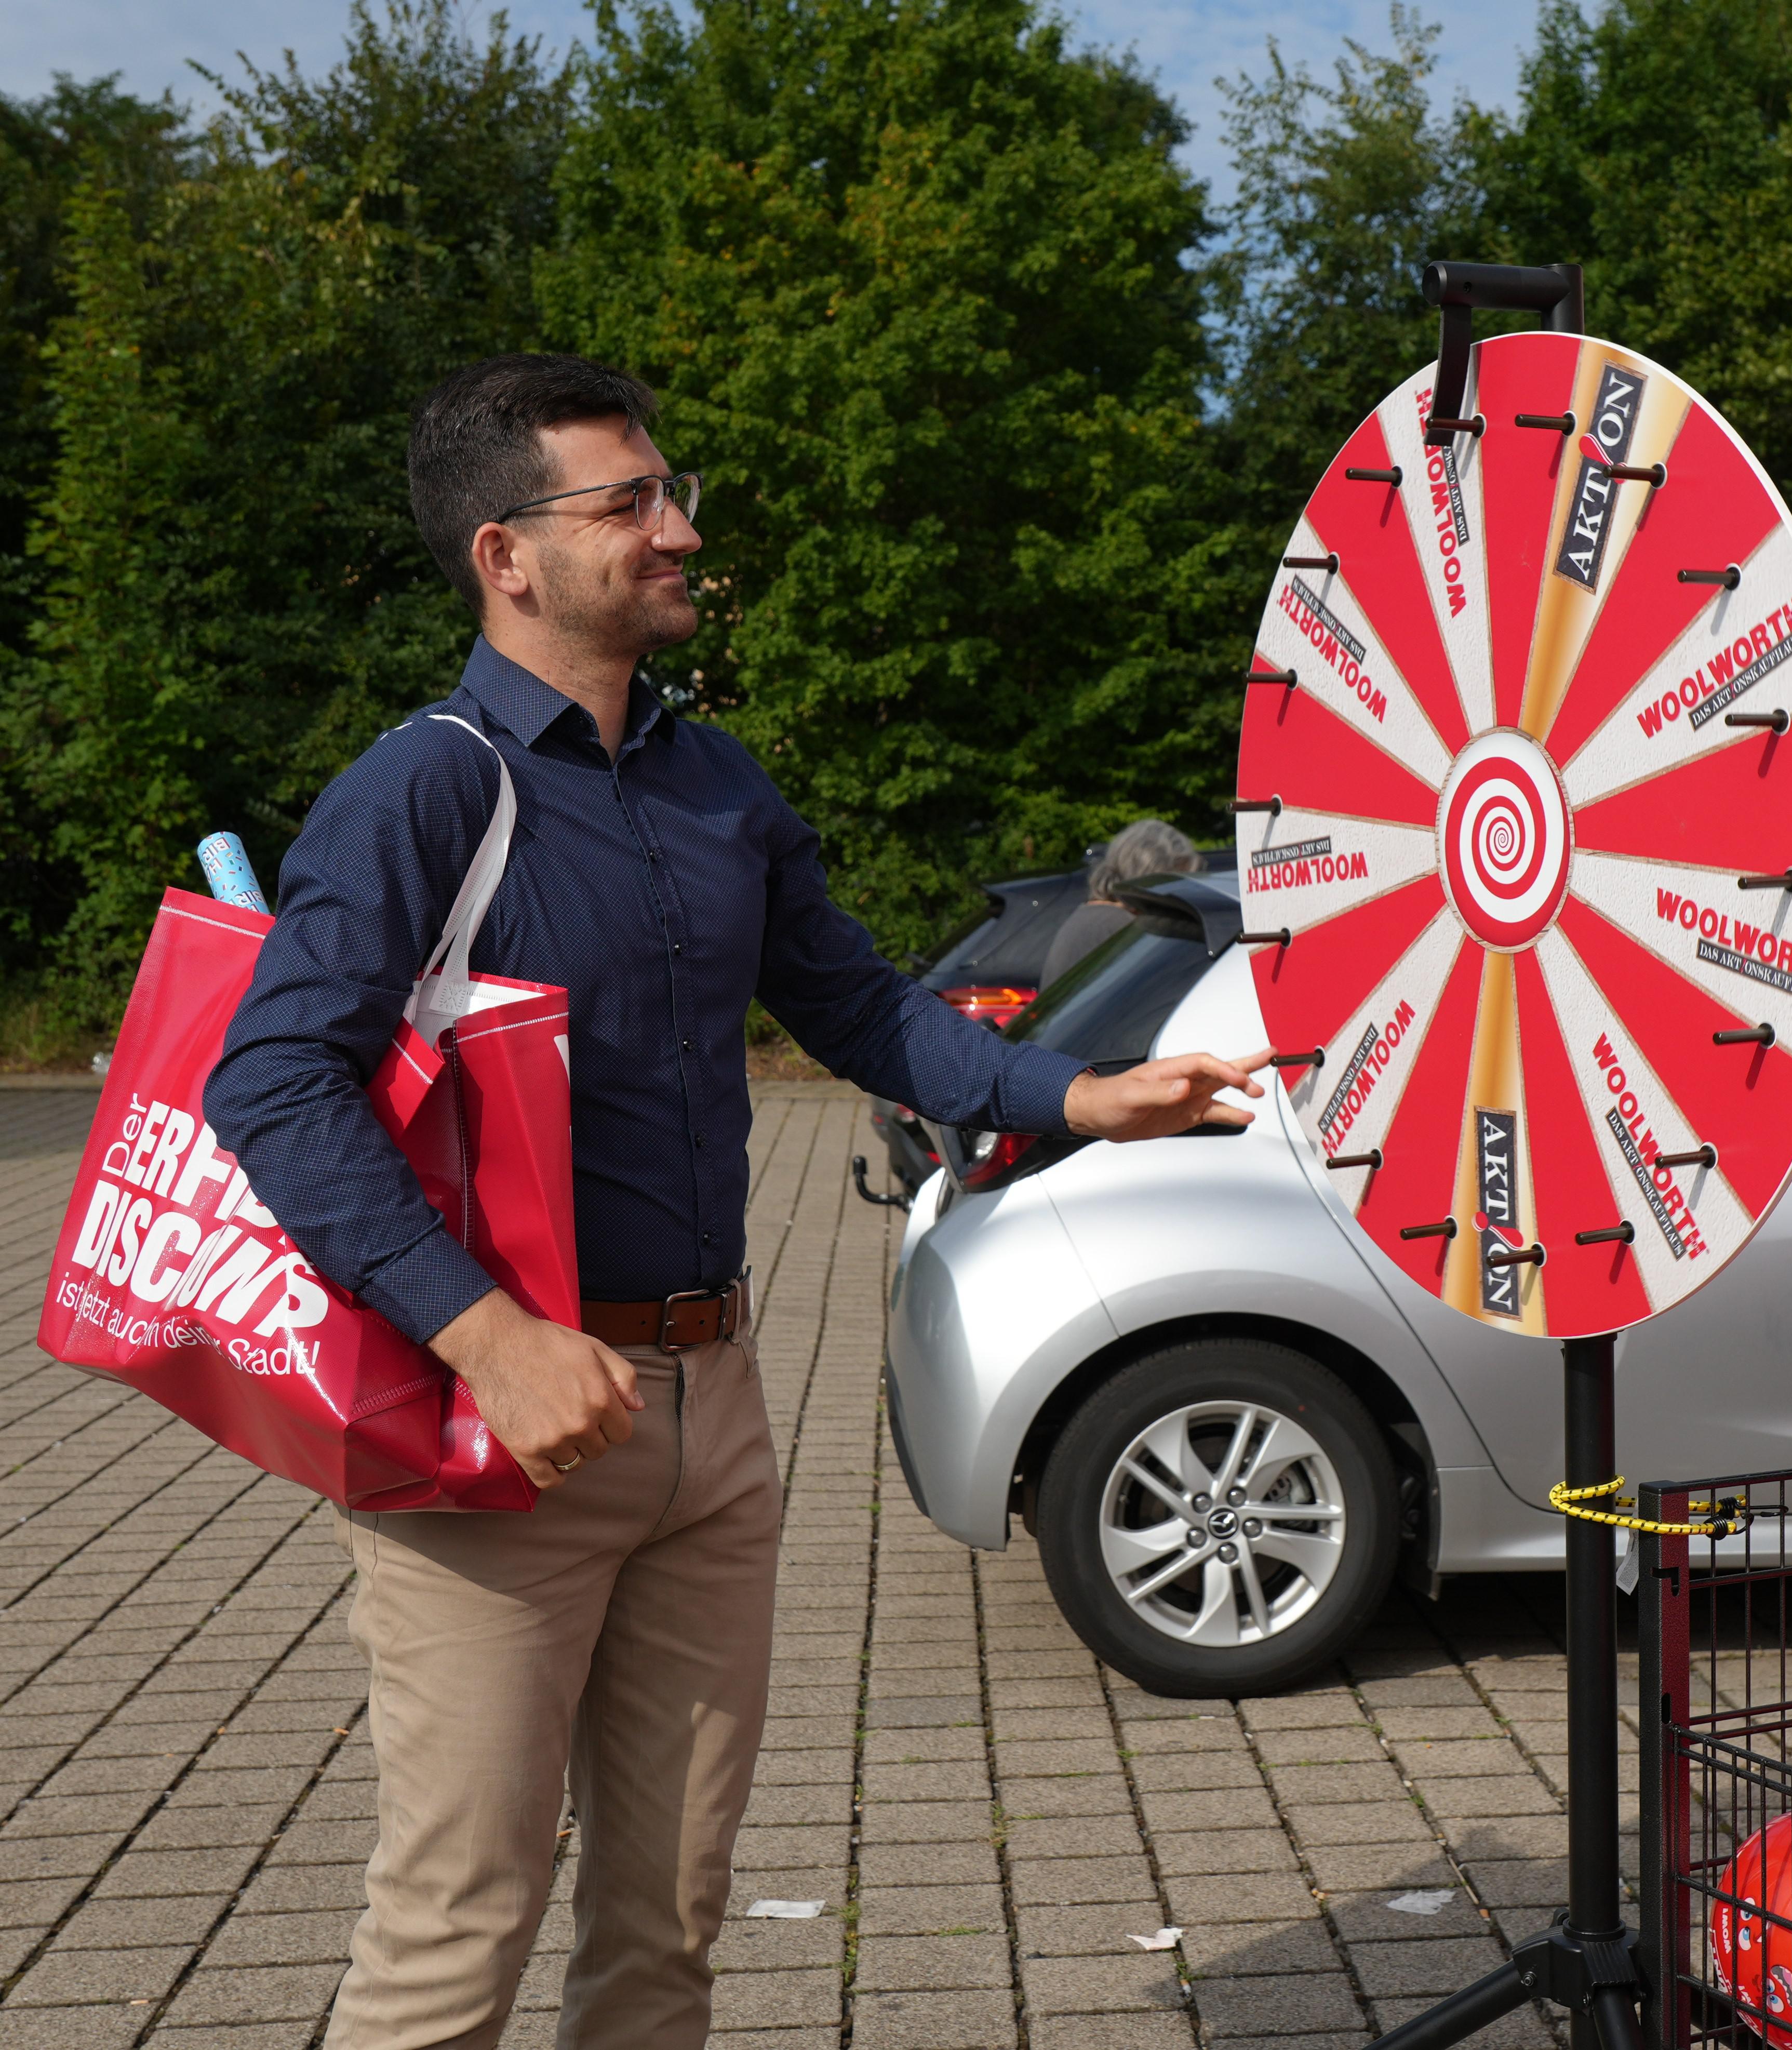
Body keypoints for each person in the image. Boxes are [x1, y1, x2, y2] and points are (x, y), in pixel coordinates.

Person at [203, 353, 1269, 2049]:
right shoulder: (426, 788)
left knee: (668, 1925)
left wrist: (1080, 1094)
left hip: (716, 1419)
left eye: (671, 491)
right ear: (505, 555)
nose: (680, 530)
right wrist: (487, 1337)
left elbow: (857, 1007)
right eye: (629, 501)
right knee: (456, 1923)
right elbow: (270, 1081)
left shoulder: (717, 785)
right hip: (499, 1433)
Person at [1038, 818, 1203, 987]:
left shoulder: (1093, 916)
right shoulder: (1120, 927)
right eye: (1175, 882)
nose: (1180, 896)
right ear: (1149, 877)